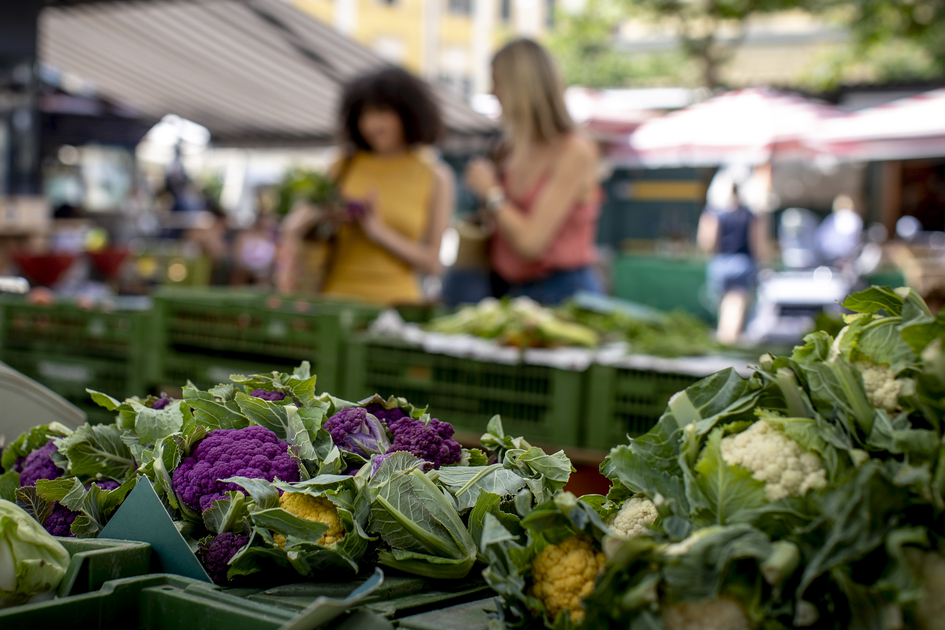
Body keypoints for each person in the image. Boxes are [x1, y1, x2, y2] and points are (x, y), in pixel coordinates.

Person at [279, 67, 454, 304]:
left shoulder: (435, 176)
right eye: (364, 115)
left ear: (408, 113)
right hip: (335, 303)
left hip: (397, 309)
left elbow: (433, 264)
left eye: (382, 113)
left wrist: (378, 231)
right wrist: (324, 214)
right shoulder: (342, 165)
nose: (372, 125)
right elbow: (293, 224)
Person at [463, 39, 603, 305]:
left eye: (498, 82)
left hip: (562, 294)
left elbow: (530, 244)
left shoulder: (574, 151)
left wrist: (491, 192)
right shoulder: (506, 148)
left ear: (523, 87)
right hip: (508, 292)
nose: (493, 92)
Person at [697, 182, 762, 345]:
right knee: (736, 305)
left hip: (720, 262)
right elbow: (756, 242)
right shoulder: (748, 214)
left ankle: (724, 339)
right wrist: (762, 262)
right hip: (742, 262)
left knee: (725, 305)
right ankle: (728, 341)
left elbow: (707, 241)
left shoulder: (715, 213)